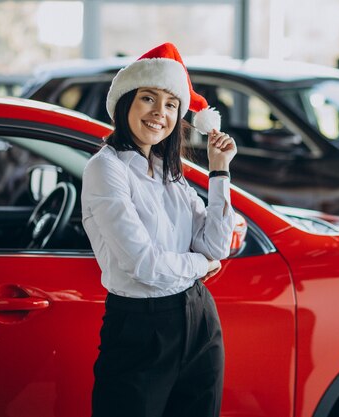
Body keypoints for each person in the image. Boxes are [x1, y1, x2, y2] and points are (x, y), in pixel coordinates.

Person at [81, 42, 237, 417]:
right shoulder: (107, 169)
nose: (159, 113)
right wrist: (201, 265)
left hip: (199, 320)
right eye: (148, 99)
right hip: (140, 328)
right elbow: (144, 266)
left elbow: (215, 244)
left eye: (170, 104)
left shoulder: (170, 173)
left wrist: (219, 171)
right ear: (126, 103)